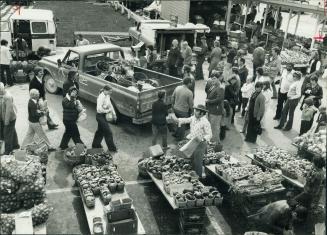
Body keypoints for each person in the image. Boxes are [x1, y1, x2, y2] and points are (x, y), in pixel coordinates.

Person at [177, 104, 212, 177]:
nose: (194, 111)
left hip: (200, 144)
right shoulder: (193, 118)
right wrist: (178, 120)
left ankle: (198, 177)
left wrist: (202, 139)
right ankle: (193, 175)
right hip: (192, 142)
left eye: (196, 111)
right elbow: (186, 120)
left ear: (202, 113)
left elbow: (209, 134)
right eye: (195, 110)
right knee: (192, 159)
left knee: (198, 162)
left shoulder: (205, 122)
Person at [92, 85, 118, 152]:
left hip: (104, 116)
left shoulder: (107, 96)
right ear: (105, 90)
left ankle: (95, 145)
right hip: (100, 116)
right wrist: (107, 111)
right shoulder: (101, 97)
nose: (111, 92)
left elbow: (110, 105)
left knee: (100, 131)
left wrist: (114, 114)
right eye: (110, 91)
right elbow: (99, 109)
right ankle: (112, 148)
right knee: (108, 132)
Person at [205, 71, 225, 145]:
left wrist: (209, 101)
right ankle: (212, 141)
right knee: (211, 126)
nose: (212, 80)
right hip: (210, 109)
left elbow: (219, 99)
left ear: (218, 79)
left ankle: (216, 143)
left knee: (215, 127)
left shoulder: (220, 87)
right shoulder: (213, 86)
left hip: (216, 111)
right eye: (212, 79)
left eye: (214, 79)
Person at [0, 83, 19, 154]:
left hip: (10, 118)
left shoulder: (8, 97)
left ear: (2, 89)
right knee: (12, 131)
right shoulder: (2, 95)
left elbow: (8, 111)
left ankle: (8, 150)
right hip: (3, 117)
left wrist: (6, 122)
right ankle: (16, 145)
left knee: (7, 133)